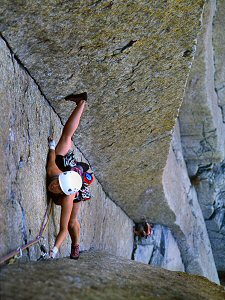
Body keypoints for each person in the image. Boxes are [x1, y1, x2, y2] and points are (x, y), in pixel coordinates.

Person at [46, 92, 93, 260]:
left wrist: (55, 249)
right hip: (69, 173)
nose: (53, 187)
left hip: (75, 185)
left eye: (57, 188)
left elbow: (63, 228)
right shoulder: (54, 172)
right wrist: (52, 146)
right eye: (57, 183)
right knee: (66, 138)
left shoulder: (69, 197)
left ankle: (76, 246)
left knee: (72, 222)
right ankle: (81, 103)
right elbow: (52, 158)